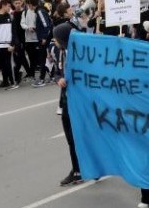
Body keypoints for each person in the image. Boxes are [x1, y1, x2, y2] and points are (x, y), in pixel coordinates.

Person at [52, 21, 83, 186]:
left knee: (84, 136)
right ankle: (77, 168)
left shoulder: (82, 54)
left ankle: (82, 169)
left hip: (82, 103)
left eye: (56, 38)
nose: (54, 41)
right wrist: (59, 79)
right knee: (71, 139)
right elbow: (56, 72)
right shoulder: (59, 53)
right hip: (66, 101)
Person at [0, 0, 18, 90]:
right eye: (8, 6)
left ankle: (13, 82)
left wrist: (13, 45)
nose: (10, 8)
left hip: (8, 45)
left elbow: (14, 33)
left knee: (8, 65)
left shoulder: (11, 17)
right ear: (3, 6)